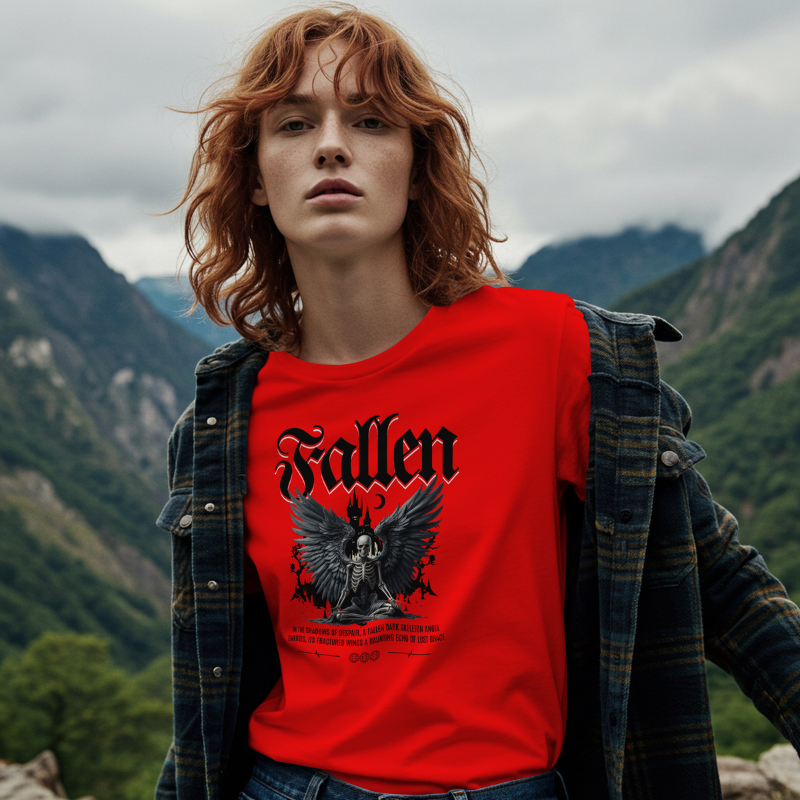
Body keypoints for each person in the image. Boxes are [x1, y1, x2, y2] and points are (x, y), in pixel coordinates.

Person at [154, 6, 800, 800]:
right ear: (256, 177)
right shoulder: (225, 418)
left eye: (370, 120)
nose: (331, 145)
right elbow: (207, 686)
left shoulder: (559, 353)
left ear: (417, 165)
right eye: (294, 124)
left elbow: (722, 582)